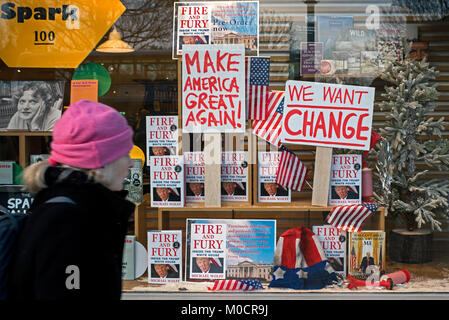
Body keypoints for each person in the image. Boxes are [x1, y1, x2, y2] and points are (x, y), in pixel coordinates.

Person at [7, 99, 135, 300]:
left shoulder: (79, 209)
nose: (129, 163)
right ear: (100, 162)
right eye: (125, 154)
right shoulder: (68, 221)